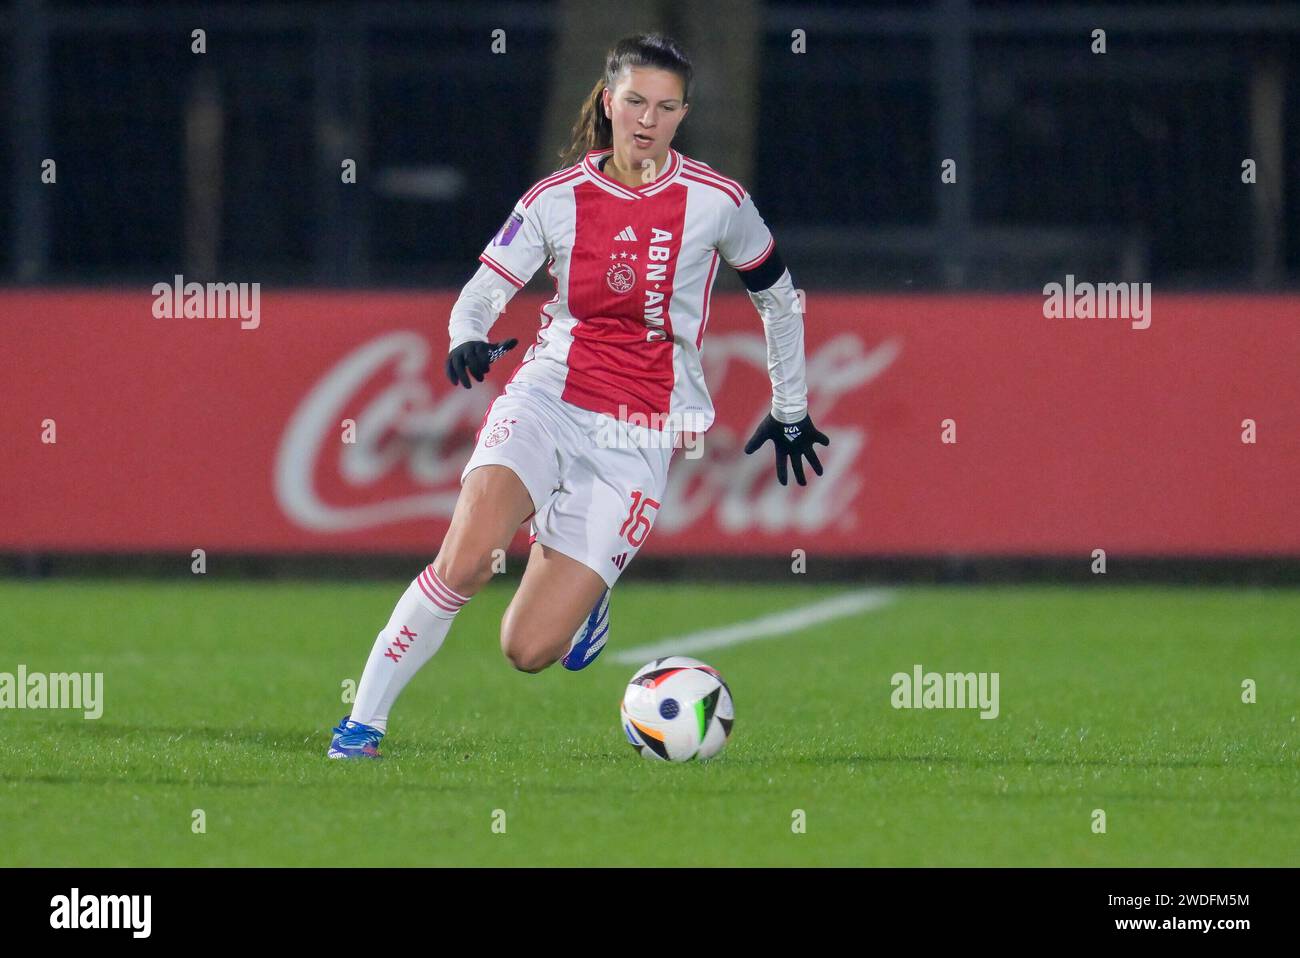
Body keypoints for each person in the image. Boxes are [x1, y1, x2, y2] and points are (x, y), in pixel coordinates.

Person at [329, 33, 829, 759]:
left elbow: (779, 299)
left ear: (682, 115)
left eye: (665, 107)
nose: (647, 120)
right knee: (465, 561)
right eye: (634, 102)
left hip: (639, 434)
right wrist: (465, 334)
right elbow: (483, 293)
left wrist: (791, 407)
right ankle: (361, 725)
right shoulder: (555, 199)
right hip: (547, 398)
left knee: (527, 649)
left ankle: (585, 594)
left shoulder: (719, 203)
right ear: (608, 102)